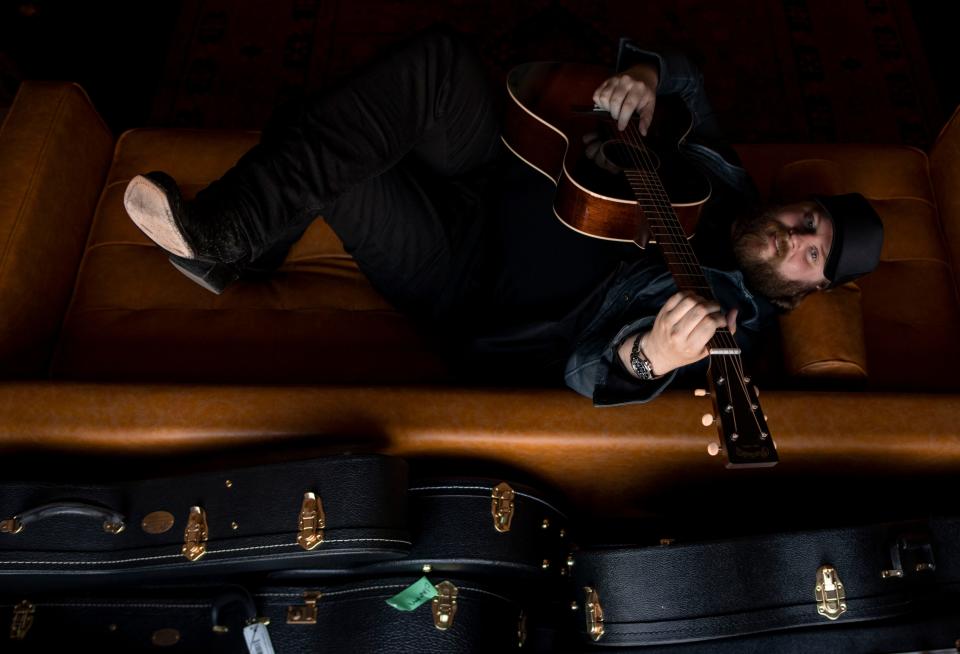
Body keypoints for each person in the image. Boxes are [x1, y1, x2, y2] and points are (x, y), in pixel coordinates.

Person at [122, 27, 883, 405]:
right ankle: (236, 241)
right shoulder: (725, 172)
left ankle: (225, 236)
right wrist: (647, 80)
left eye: (810, 258)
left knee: (320, 136)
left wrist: (648, 355)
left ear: (798, 293)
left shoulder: (729, 324)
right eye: (811, 221)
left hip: (466, 277)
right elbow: (686, 73)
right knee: (440, 61)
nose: (798, 239)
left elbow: (594, 371)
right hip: (507, 165)